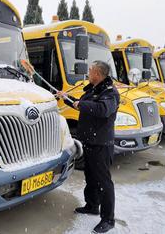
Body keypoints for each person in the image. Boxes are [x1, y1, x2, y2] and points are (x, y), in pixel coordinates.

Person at [57, 60, 120, 233]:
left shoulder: (110, 93)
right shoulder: (94, 89)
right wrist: (66, 98)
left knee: (104, 182)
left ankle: (108, 219)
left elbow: (102, 110)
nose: (88, 72)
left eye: (91, 70)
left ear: (98, 74)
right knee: (91, 177)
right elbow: (82, 104)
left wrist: (81, 104)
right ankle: (92, 205)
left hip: (101, 144)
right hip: (89, 143)